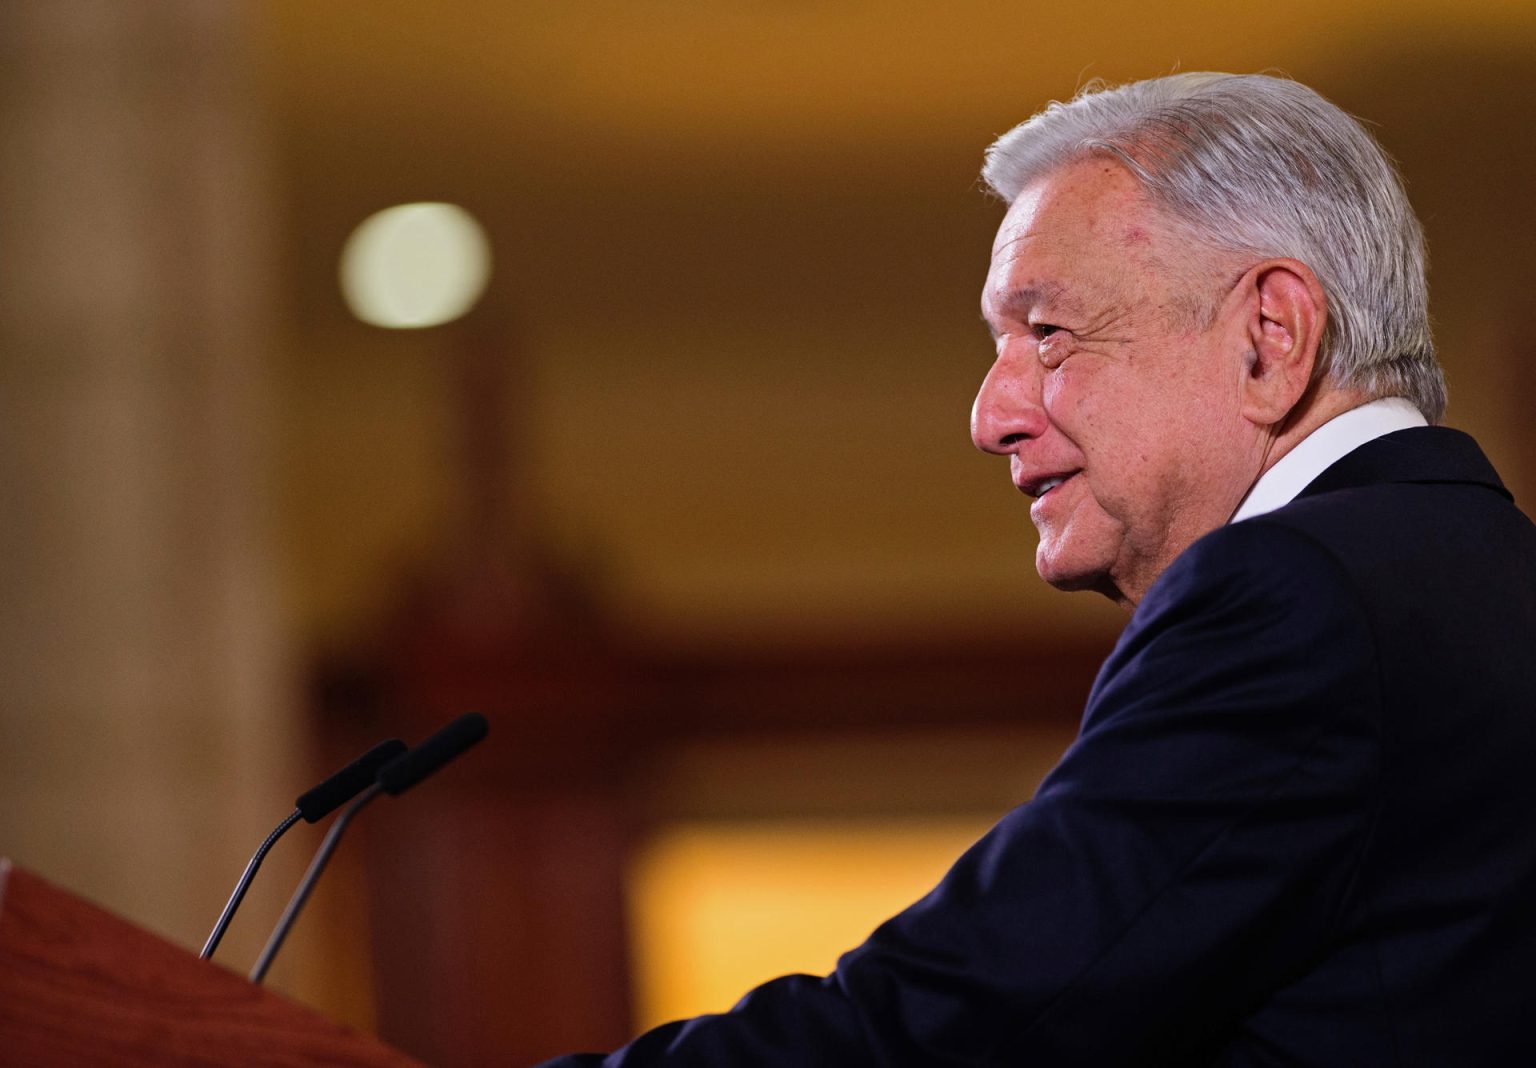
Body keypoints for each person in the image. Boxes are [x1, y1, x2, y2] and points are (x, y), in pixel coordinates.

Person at [539, 73, 1536, 1066]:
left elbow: (958, 1026)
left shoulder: (1290, 597)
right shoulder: (1484, 577)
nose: (991, 417)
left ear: (1269, 336)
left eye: (1049, 334)